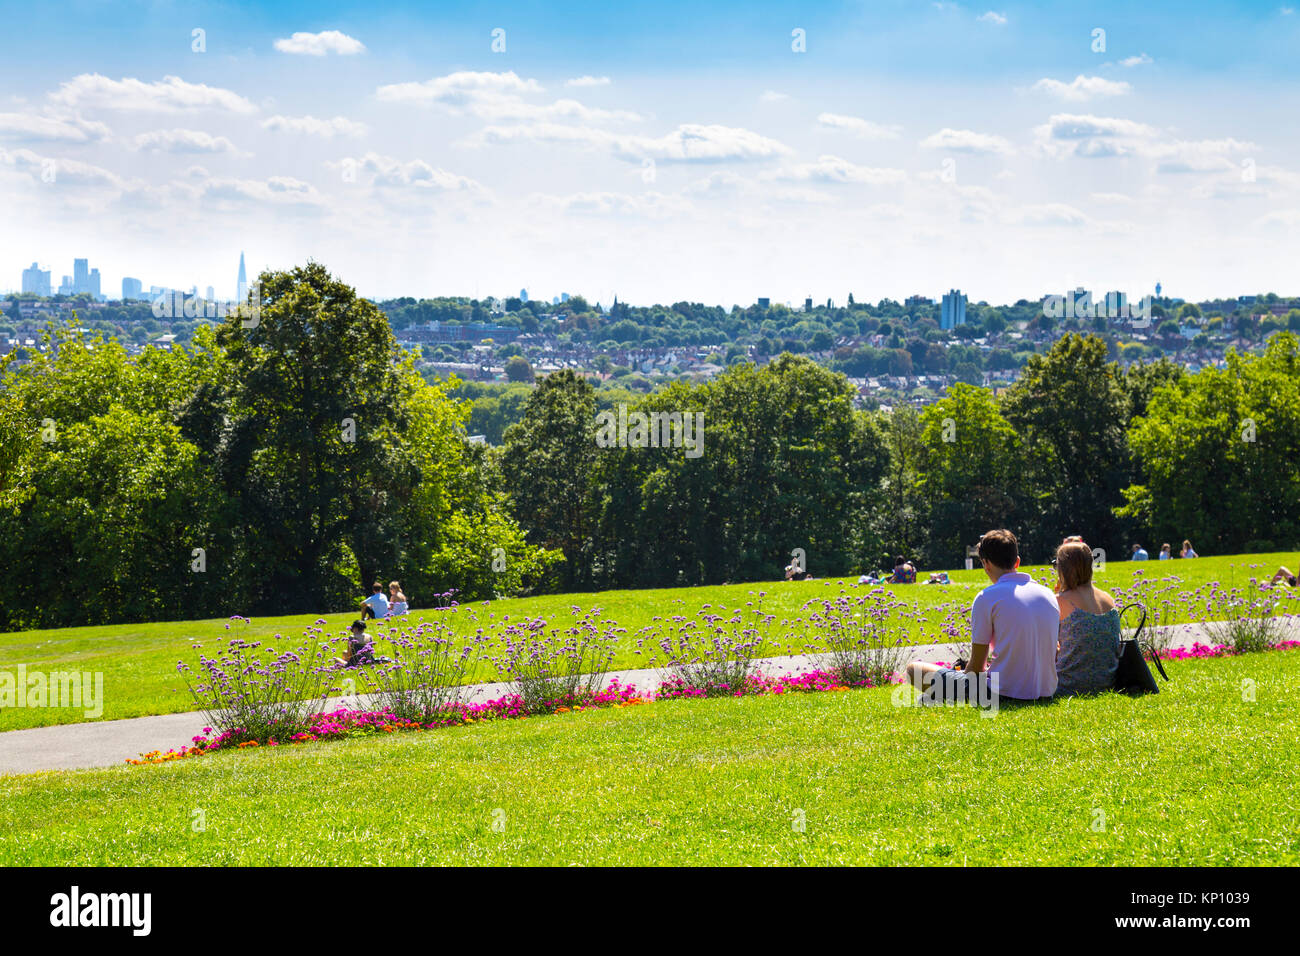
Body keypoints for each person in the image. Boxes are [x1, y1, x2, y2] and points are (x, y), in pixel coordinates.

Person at [905, 529, 1059, 704]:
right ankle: (935, 698)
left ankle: (934, 698)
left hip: (1001, 693)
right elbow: (1055, 651)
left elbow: (976, 668)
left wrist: (958, 675)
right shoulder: (1048, 594)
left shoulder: (987, 597)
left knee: (914, 670)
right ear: (1017, 562)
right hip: (1046, 692)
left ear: (986, 564)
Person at [1052, 541, 1121, 697]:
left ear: (1063, 568)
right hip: (1108, 682)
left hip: (1068, 685)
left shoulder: (1060, 601)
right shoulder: (1108, 599)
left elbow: (1047, 645)